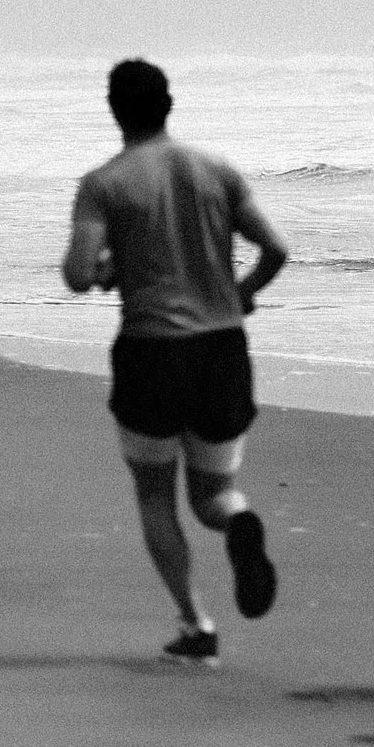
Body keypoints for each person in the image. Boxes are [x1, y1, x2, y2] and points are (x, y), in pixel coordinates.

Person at [62, 58, 289, 664]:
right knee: (213, 495)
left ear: (114, 111)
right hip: (221, 350)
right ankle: (239, 523)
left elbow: (78, 274)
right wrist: (241, 293)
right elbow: (276, 249)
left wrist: (112, 267)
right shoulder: (217, 172)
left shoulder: (104, 184)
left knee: (156, 496)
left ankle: (196, 625)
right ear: (169, 104)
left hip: (151, 353)